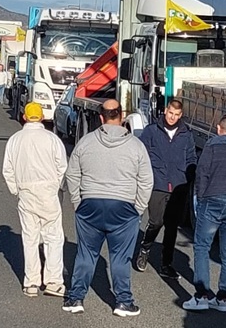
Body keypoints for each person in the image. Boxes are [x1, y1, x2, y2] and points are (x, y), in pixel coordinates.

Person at [63, 100, 153, 317]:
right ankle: (123, 302)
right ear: (121, 116)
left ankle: (76, 298)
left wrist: (77, 201)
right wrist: (138, 208)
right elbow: (146, 180)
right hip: (124, 206)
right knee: (120, 257)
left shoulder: (86, 142)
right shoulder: (136, 145)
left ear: (101, 117)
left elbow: (72, 174)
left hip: (90, 204)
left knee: (86, 253)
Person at [183, 116, 226, 313]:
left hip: (213, 198)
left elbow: (202, 173)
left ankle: (202, 296)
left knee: (202, 246)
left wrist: (201, 197)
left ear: (218, 128)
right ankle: (223, 298)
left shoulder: (212, 146)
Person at [2, 102, 68, 297]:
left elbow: (8, 170)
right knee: (53, 237)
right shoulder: (52, 139)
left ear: (24, 117)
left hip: (26, 191)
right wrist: (58, 187)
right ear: (41, 117)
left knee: (30, 237)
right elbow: (62, 167)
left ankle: (31, 283)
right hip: (48, 192)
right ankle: (53, 281)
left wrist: (16, 190)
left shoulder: (15, 140)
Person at [134, 98, 196, 279]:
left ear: (180, 115)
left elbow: (191, 158)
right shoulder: (151, 131)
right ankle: (145, 248)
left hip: (179, 186)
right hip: (157, 184)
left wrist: (190, 177)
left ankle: (166, 264)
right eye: (170, 113)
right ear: (165, 111)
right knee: (156, 221)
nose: (172, 117)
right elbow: (141, 155)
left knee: (172, 226)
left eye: (176, 114)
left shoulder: (186, 134)